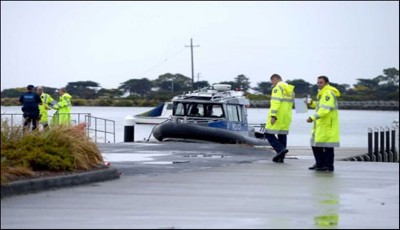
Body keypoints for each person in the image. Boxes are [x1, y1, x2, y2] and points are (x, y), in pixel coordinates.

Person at [306, 76, 341, 172]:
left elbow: (325, 109)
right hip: (320, 124)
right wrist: (311, 103)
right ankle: (319, 163)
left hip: (327, 124)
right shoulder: (322, 93)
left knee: (328, 146)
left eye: (321, 82)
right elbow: (320, 106)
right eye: (318, 82)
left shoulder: (328, 93)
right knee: (316, 144)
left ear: (326, 83)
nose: (319, 84)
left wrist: (312, 118)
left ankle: (328, 165)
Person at [264, 74, 295, 163]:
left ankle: (280, 150)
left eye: (272, 81)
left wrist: (273, 115)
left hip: (278, 115)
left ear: (275, 79)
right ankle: (281, 157)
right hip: (287, 116)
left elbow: (275, 102)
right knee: (282, 134)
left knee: (268, 133)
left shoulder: (278, 88)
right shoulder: (290, 89)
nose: (272, 84)